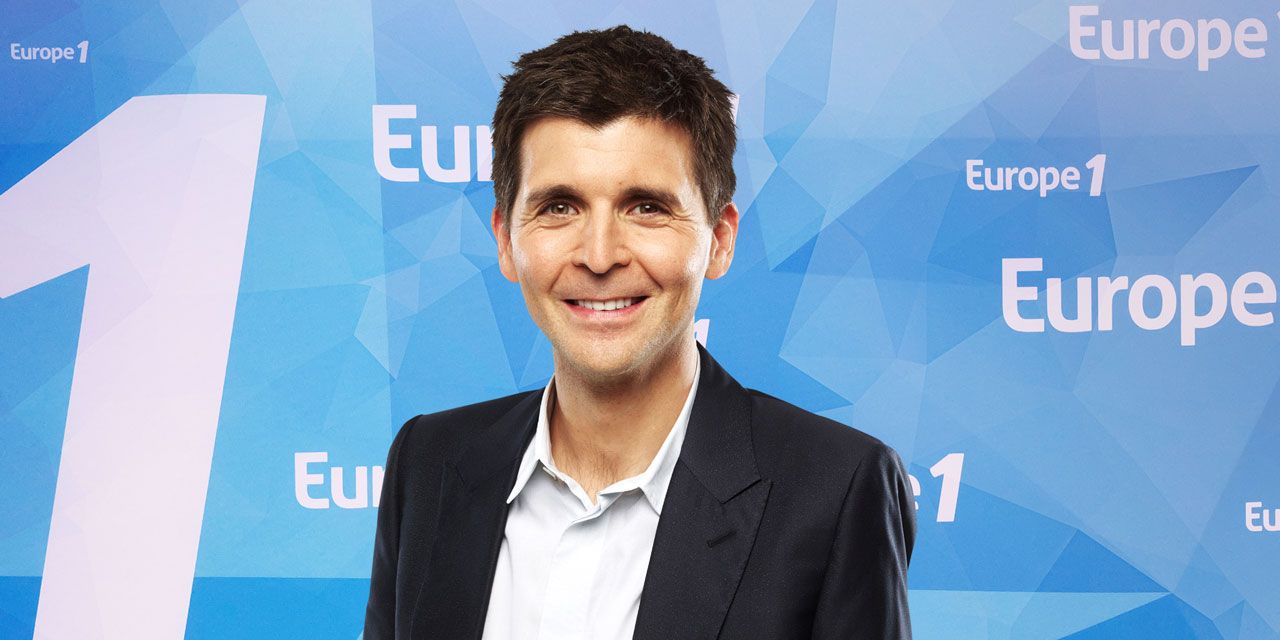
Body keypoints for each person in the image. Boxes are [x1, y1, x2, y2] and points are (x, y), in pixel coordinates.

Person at [364, 25, 915, 640]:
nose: (599, 256)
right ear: (505, 240)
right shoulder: (428, 463)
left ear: (720, 239)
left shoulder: (837, 488)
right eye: (559, 207)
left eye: (646, 207)